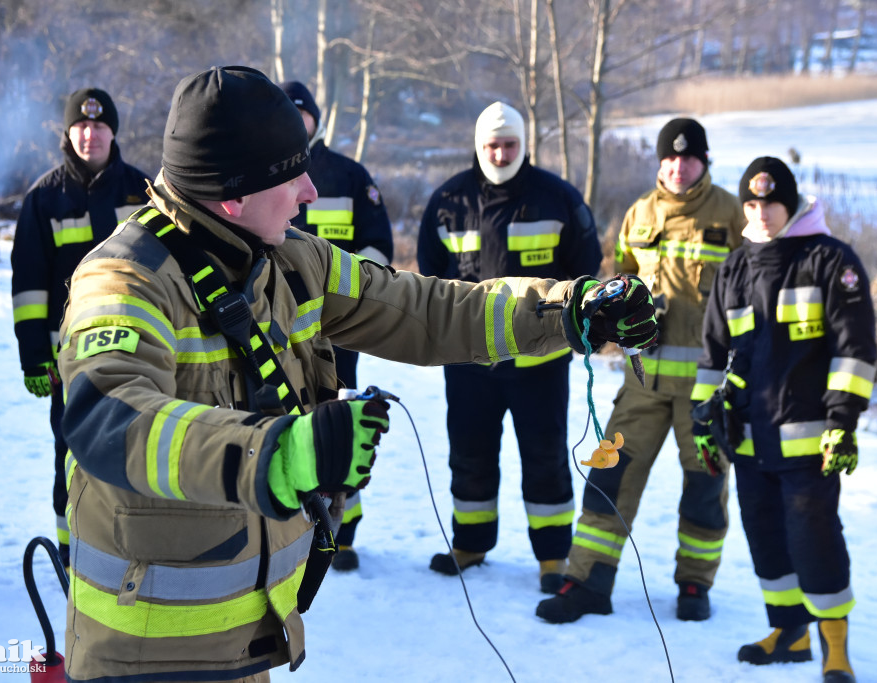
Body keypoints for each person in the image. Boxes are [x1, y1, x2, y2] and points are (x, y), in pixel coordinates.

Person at [55, 65, 657, 683]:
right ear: (233, 194)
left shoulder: (290, 260)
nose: (311, 190)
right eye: (293, 173)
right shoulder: (125, 279)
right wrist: (279, 456)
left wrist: (567, 310)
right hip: (145, 655)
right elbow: (108, 417)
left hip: (244, 643)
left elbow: (425, 309)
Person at [537, 118, 743, 624]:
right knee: (609, 479)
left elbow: (751, 292)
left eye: (689, 157)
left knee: (705, 490)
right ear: (659, 161)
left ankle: (695, 584)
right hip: (642, 383)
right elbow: (622, 283)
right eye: (670, 158)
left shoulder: (731, 213)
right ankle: (587, 582)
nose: (678, 166)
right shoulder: (638, 214)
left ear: (705, 160)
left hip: (704, 387)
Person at [694, 157, 873, 683]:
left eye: (770, 202)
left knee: (814, 539)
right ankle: (788, 632)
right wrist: (704, 421)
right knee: (766, 538)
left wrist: (842, 421)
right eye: (751, 204)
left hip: (812, 442)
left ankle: (833, 646)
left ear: (790, 202)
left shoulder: (829, 260)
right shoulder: (734, 268)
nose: (761, 213)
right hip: (748, 441)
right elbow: (712, 354)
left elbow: (854, 350)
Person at [416, 101, 602, 592]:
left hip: (541, 363)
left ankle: (552, 556)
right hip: (469, 360)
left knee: (544, 456)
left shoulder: (558, 198)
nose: (500, 153)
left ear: (524, 144)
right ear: (479, 145)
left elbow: (586, 269)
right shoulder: (448, 201)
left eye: (510, 143)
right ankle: (471, 542)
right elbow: (430, 280)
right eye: (492, 144)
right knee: (470, 453)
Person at [10, 87, 150, 567]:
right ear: (69, 134)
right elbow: (28, 286)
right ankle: (72, 551)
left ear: (114, 132)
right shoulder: (43, 199)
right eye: (82, 126)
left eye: (100, 126)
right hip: (68, 359)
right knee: (71, 453)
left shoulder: (143, 192)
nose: (90, 134)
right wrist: (33, 356)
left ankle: (129, 547)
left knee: (137, 445)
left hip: (141, 351)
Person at [279, 80, 395, 571]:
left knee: (341, 414)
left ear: (315, 120)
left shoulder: (348, 175)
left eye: (301, 114)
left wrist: (348, 295)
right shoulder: (262, 173)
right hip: (280, 323)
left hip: (339, 324)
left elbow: (379, 246)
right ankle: (292, 521)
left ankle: (341, 529)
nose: (295, 122)